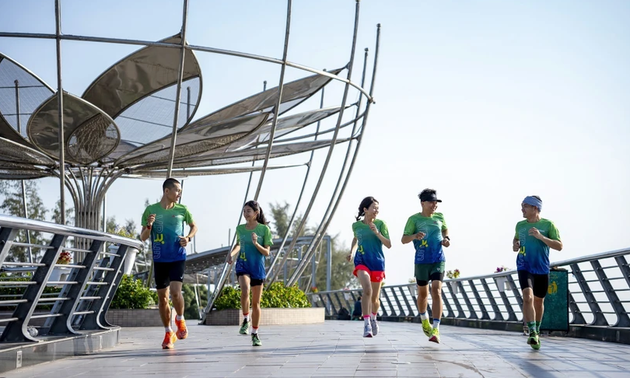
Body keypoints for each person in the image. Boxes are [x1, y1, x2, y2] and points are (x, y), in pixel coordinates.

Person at [140, 178, 198, 350]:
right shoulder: (151, 210)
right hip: (159, 259)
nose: (179, 193)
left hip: (177, 257)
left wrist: (188, 238)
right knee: (162, 298)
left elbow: (194, 226)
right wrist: (149, 225)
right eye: (177, 190)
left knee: (175, 292)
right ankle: (168, 332)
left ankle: (180, 318)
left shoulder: (182, 210)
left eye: (180, 191)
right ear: (167, 191)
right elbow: (143, 237)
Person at [513, 195, 562, 350]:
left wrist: (541, 237)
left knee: (539, 301)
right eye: (522, 205)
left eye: (525, 206)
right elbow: (515, 241)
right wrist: (515, 245)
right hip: (524, 265)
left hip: (541, 268)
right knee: (527, 297)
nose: (522, 209)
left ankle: (537, 330)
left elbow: (559, 246)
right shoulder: (520, 225)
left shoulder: (548, 225)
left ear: (535, 208)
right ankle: (532, 331)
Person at [401, 188, 450, 344]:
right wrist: (415, 236)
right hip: (421, 261)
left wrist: (446, 238)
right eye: (431, 202)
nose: (434, 205)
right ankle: (424, 320)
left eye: (436, 202)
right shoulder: (414, 220)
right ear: (423, 203)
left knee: (436, 290)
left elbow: (445, 229)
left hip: (438, 259)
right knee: (423, 294)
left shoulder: (440, 216)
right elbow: (403, 239)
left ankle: (436, 328)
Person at [226, 200, 272, 347]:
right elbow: (238, 244)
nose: (245, 214)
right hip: (243, 265)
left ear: (256, 213)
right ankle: (246, 319)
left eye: (248, 211)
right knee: (245, 290)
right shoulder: (240, 229)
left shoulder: (264, 230)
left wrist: (256, 243)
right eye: (244, 211)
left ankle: (255, 333)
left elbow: (266, 252)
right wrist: (231, 254)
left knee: (256, 303)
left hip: (257, 268)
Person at [347, 196, 391, 337]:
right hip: (361, 261)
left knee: (375, 299)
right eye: (374, 208)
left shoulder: (381, 224)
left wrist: (376, 232)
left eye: (378, 208)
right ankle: (366, 325)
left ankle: (373, 317)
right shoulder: (356, 225)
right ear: (365, 209)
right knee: (367, 290)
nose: (376, 211)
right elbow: (356, 237)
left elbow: (388, 244)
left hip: (377, 262)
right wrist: (351, 252)